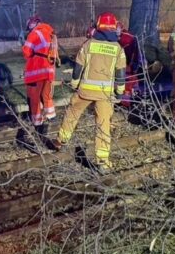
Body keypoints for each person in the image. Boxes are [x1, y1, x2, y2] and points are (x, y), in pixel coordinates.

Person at [54, 12, 127, 173]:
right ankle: (102, 161)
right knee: (103, 125)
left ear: (98, 27)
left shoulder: (88, 45)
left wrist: (74, 84)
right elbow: (121, 75)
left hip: (85, 91)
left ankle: (61, 141)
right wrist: (119, 94)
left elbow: (78, 68)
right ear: (114, 28)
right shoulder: (118, 49)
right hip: (105, 94)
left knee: (72, 113)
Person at [22, 15, 59, 130]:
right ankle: (51, 116)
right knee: (46, 95)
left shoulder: (33, 34)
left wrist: (23, 43)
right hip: (49, 71)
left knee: (35, 97)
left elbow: (26, 53)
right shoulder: (50, 33)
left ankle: (37, 122)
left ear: (31, 25)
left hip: (36, 71)